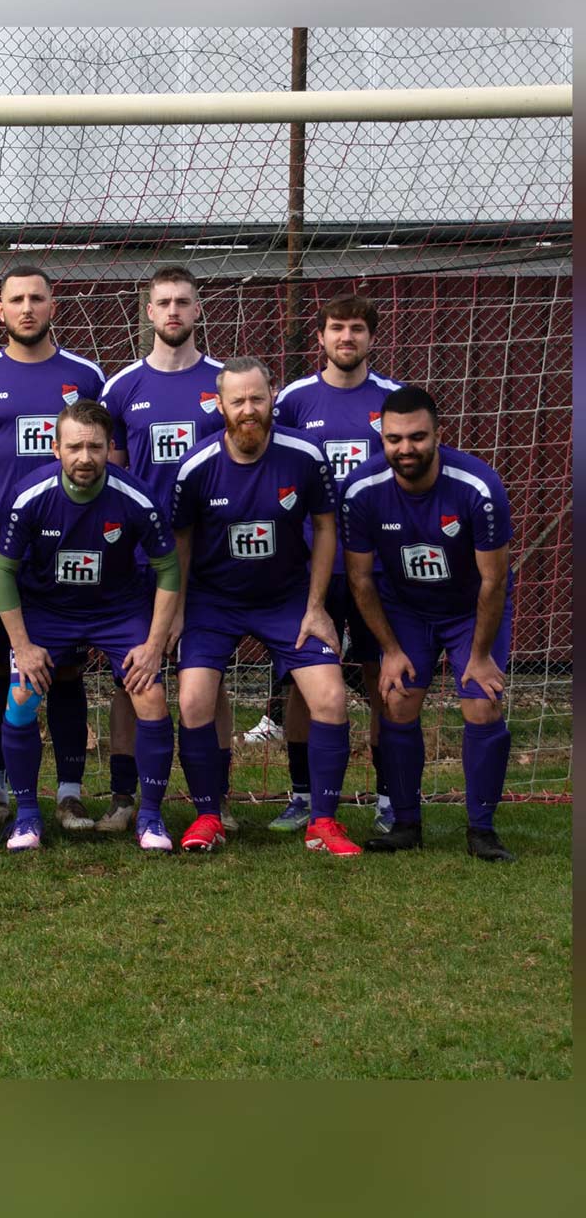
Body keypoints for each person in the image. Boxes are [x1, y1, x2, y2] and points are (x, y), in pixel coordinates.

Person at [170, 358, 359, 856]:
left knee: (331, 697)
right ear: (220, 405)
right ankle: (209, 815)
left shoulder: (305, 454)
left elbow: (325, 527)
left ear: (273, 396)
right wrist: (178, 610)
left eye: (257, 398)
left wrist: (316, 606)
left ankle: (324, 822)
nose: (248, 409)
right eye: (238, 401)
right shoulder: (196, 466)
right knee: (193, 700)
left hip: (287, 599)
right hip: (215, 600)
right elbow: (181, 542)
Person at [0, 264, 106, 834]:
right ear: (0, 309)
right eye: (16, 299)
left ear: (52, 305)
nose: (27, 308)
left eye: (37, 298)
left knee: (65, 670)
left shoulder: (86, 376)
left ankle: (69, 793)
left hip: (68, 548)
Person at [0, 402, 180, 853]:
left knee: (150, 695)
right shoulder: (28, 496)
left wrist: (154, 645)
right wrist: (23, 646)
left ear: (110, 448)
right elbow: (3, 572)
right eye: (74, 447)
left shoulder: (136, 498)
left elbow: (169, 569)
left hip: (117, 610)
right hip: (49, 609)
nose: (85, 457)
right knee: (21, 696)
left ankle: (151, 817)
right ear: (55, 448)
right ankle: (27, 816)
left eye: (95, 447)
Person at [343, 386, 517, 860]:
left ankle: (482, 830)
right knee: (397, 701)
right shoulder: (361, 490)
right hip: (405, 610)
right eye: (394, 439)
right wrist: (390, 650)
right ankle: (405, 824)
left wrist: (479, 656)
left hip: (469, 610)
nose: (406, 448)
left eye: (417, 437)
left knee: (481, 703)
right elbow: (360, 580)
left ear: (438, 435)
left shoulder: (479, 487)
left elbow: (493, 582)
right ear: (382, 438)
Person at [100, 265, 238, 833]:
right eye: (164, 302)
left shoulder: (225, 383)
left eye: (184, 301)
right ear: (149, 312)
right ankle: (124, 797)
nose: (174, 310)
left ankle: (217, 799)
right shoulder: (121, 388)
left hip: (210, 558)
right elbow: (110, 476)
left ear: (198, 309)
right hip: (140, 560)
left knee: (209, 679)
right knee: (132, 678)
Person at [266, 292, 403, 834]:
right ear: (320, 336)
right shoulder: (294, 400)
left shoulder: (393, 399)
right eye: (337, 328)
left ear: (372, 337)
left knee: (382, 677)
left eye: (357, 329)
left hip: (378, 568)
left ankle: (389, 798)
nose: (347, 337)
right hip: (311, 570)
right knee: (307, 680)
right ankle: (302, 795)